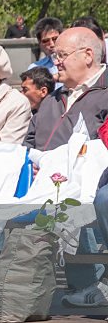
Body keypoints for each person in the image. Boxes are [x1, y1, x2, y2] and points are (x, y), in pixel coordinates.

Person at [23, 27, 108, 301]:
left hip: (87, 180)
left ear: (87, 55)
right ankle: (5, 281)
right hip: (41, 179)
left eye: (61, 54)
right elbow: (30, 141)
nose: (54, 60)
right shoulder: (51, 99)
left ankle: (94, 282)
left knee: (78, 197)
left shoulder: (105, 93)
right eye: (53, 54)